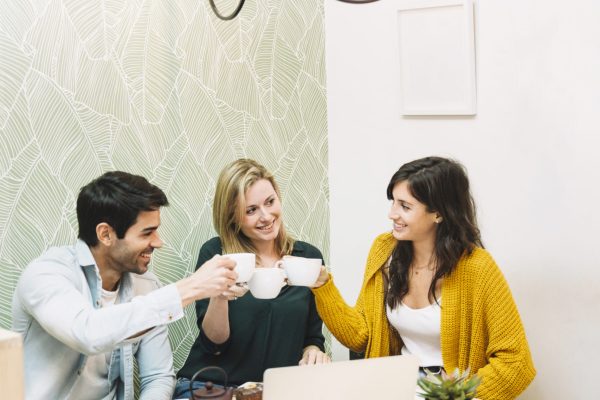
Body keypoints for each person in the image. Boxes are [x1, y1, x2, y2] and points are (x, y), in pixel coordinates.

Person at [311, 156, 536, 400]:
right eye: (393, 202)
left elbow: (515, 362)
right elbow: (361, 337)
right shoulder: (385, 251)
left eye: (405, 206)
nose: (392, 214)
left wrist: (457, 396)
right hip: (396, 391)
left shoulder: (477, 268)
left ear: (438, 213)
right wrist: (323, 286)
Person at [11, 171, 238, 400]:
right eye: (147, 233)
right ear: (106, 234)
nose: (158, 242)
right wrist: (191, 287)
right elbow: (88, 333)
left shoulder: (147, 286)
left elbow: (157, 377)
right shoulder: (46, 275)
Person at [174, 159, 329, 398]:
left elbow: (312, 336)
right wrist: (220, 297)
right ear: (233, 217)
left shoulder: (307, 258)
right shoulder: (218, 255)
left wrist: (314, 351)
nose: (266, 216)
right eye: (251, 210)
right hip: (211, 387)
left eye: (270, 202)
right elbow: (213, 344)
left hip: (272, 392)